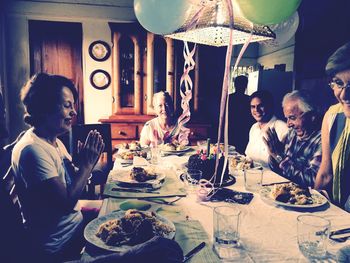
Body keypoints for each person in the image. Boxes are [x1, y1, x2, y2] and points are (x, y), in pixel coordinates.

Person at [11, 73, 105, 261]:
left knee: (116, 209)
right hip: (60, 246)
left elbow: (70, 185)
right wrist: (87, 166)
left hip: (74, 226)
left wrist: (80, 165)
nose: (74, 112)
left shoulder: (54, 141)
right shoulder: (33, 150)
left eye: (73, 106)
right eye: (67, 105)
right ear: (44, 108)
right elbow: (66, 203)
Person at [315, 41, 350, 212]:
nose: (344, 94)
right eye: (338, 82)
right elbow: (325, 174)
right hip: (338, 218)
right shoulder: (332, 116)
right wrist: (309, 205)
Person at [264, 90, 322, 188]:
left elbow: (313, 180)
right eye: (287, 118)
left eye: (292, 118)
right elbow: (278, 170)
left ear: (311, 116)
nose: (288, 124)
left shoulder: (322, 140)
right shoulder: (292, 134)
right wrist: (273, 155)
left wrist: (279, 157)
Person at [245, 90, 288, 167]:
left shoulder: (283, 128)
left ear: (269, 106)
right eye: (253, 107)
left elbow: (285, 164)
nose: (256, 110)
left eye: (260, 106)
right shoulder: (254, 127)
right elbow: (248, 156)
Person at [228, 75, 254, 153]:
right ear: (246, 85)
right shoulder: (249, 99)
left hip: (234, 129)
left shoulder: (229, 98)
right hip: (241, 129)